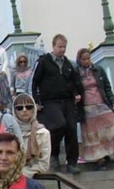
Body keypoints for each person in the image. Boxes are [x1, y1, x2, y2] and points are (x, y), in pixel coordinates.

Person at [32, 33, 83, 174]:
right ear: (53, 46)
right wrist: (36, 101)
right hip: (50, 101)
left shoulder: (68, 64)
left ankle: (71, 162)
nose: (62, 50)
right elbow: (35, 81)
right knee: (59, 125)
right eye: (60, 47)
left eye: (64, 47)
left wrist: (76, 94)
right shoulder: (44, 62)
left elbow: (73, 82)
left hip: (67, 100)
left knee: (71, 129)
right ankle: (54, 153)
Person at [75, 48, 114, 169]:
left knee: (111, 125)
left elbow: (107, 87)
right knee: (93, 134)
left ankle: (109, 151)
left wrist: (112, 101)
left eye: (88, 58)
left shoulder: (98, 69)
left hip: (101, 103)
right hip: (87, 107)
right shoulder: (76, 73)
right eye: (84, 59)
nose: (87, 61)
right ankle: (100, 158)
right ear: (79, 60)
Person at [12, 94, 51, 177]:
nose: (24, 110)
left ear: (34, 109)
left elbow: (43, 165)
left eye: (29, 107)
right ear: (14, 111)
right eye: (19, 108)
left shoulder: (43, 133)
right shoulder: (9, 133)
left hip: (30, 180)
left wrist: (19, 175)